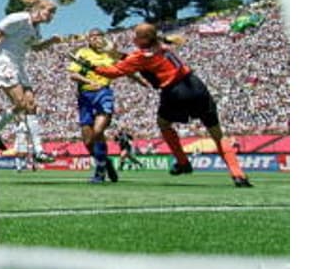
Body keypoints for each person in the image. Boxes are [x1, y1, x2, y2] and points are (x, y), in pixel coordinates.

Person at [81, 22, 253, 188]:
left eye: (137, 36)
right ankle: (238, 174)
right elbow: (137, 61)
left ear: (144, 39)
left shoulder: (141, 56)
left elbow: (115, 71)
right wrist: (116, 53)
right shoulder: (162, 46)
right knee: (217, 134)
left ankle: (182, 161)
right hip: (196, 86)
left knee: (163, 123)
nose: (133, 38)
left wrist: (89, 66)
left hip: (175, 92)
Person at [0, 0, 63, 165]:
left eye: (53, 14)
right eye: (49, 12)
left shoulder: (36, 29)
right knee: (21, 104)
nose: (51, 17)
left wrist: (52, 41)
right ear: (38, 9)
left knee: (30, 105)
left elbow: (36, 48)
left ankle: (39, 151)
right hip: (4, 62)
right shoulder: (19, 18)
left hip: (19, 66)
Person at [67, 28, 138, 184]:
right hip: (85, 96)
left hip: (104, 94)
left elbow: (126, 67)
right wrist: (88, 81)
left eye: (98, 36)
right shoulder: (82, 53)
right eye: (92, 37)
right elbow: (73, 74)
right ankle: (106, 162)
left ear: (103, 38)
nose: (95, 39)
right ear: (88, 39)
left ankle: (99, 171)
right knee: (87, 141)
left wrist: (139, 79)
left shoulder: (109, 54)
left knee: (99, 131)